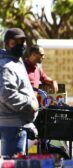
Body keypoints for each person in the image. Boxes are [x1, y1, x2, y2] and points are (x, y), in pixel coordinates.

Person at [0, 28, 39, 156]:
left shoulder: (16, 61)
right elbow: (6, 94)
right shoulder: (6, 66)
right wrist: (30, 103)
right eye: (14, 42)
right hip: (12, 127)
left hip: (18, 126)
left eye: (22, 41)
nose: (20, 45)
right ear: (6, 44)